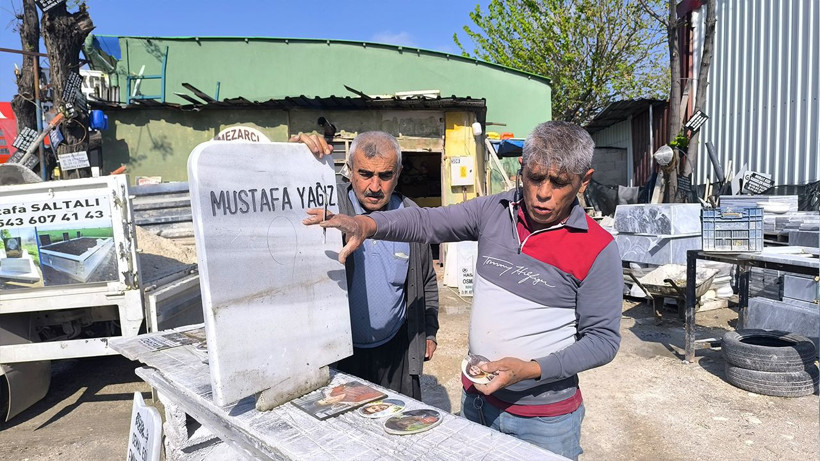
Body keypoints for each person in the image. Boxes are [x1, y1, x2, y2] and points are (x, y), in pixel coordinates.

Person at [306, 121, 622, 460]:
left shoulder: (598, 248)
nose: (543, 193)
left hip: (543, 420)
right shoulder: (493, 211)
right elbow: (425, 223)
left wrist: (530, 369)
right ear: (520, 171)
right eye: (534, 178)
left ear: (583, 181)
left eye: (560, 183)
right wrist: (368, 224)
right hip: (478, 404)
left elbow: (603, 340)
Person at [293, 131, 439, 401]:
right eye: (364, 174)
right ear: (349, 170)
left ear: (398, 173)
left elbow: (427, 280)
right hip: (341, 354)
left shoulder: (411, 216)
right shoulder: (332, 205)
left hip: (397, 353)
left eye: (385, 175)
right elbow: (291, 196)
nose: (374, 186)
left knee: (399, 427)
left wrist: (429, 329)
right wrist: (296, 157)